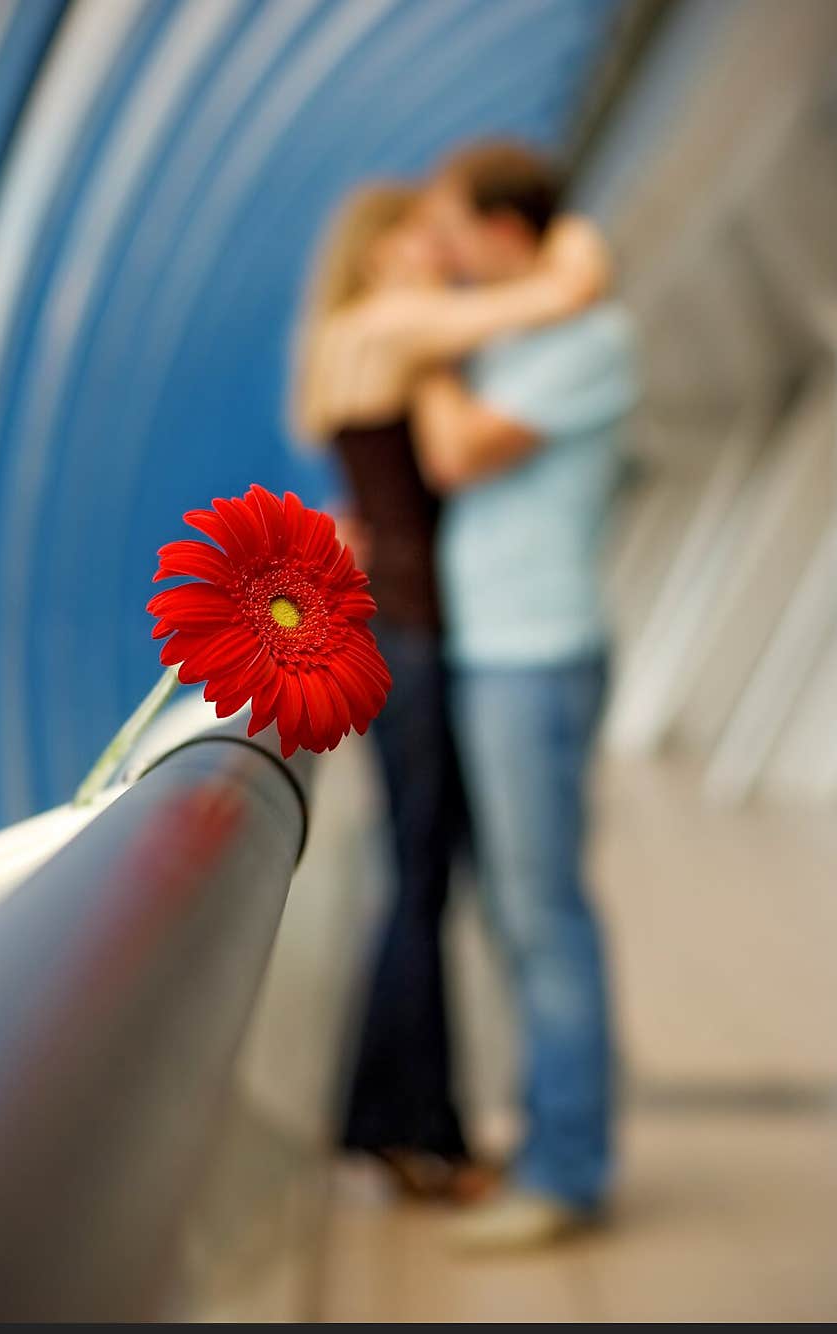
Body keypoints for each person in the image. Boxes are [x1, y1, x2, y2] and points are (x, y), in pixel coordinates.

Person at [291, 178, 610, 1200]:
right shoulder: (393, 324)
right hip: (415, 634)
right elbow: (551, 302)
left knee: (418, 874)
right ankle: (409, 1133)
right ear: (379, 250)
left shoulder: (352, 335)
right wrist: (576, 252)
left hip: (397, 627)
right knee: (422, 880)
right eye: (422, 237)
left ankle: (406, 1123)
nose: (442, 253)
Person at [411, 141, 639, 1247]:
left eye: (453, 230)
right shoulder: (518, 333)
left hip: (536, 658)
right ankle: (553, 1136)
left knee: (544, 914)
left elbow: (458, 454)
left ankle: (566, 1171)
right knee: (517, 910)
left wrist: (418, 348)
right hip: (496, 652)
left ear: (508, 231)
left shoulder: (583, 340)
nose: (442, 256)